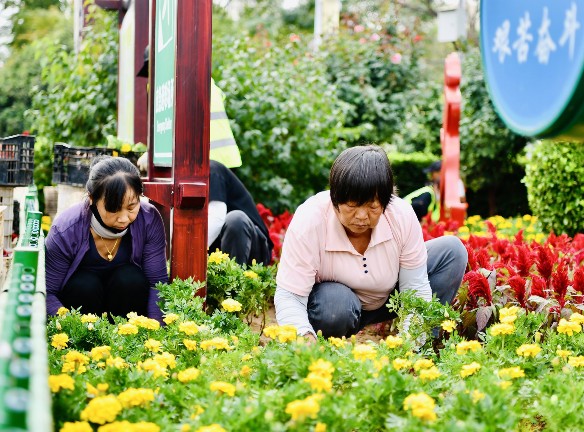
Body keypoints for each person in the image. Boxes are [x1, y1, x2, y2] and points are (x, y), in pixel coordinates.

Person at [274, 145, 467, 340]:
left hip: (388, 297)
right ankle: (328, 337)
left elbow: (414, 287)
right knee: (335, 307)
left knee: (452, 251)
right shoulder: (311, 218)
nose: (361, 216)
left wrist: (412, 345)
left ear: (386, 202)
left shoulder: (400, 215)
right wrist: (303, 336)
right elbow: (290, 295)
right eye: (352, 205)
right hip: (334, 305)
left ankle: (425, 345)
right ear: (334, 198)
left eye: (372, 207)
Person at [45, 156, 168, 322]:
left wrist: (155, 334)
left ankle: (127, 341)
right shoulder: (66, 229)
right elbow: (48, 292)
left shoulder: (149, 219)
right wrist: (70, 327)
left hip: (127, 313)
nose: (124, 218)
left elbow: (157, 284)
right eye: (113, 209)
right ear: (92, 200)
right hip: (81, 313)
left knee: (130, 279)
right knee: (84, 285)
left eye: (131, 207)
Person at [136, 46, 242, 170]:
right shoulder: (199, 77)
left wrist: (153, 154)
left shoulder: (175, 84)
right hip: (224, 159)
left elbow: (175, 125)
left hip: (205, 164)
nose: (151, 76)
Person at [208, 160, 273, 266]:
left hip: (255, 249)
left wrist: (192, 254)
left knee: (236, 219)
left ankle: (233, 278)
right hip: (220, 249)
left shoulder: (212, 170)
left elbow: (216, 217)